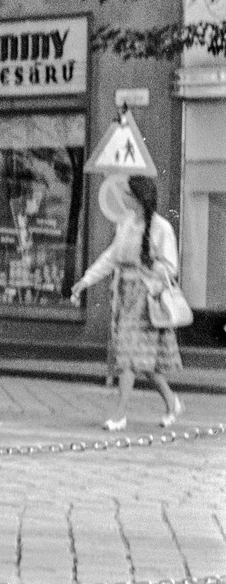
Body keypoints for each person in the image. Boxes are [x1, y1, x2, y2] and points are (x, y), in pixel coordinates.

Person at [70, 174, 184, 430]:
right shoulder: (125, 224)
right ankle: (172, 401)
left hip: (146, 299)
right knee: (143, 361)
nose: (123, 198)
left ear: (139, 198)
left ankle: (120, 415)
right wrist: (86, 280)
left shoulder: (162, 228)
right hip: (124, 296)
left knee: (128, 357)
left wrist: (147, 264)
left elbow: (171, 268)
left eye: (128, 195)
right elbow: (111, 257)